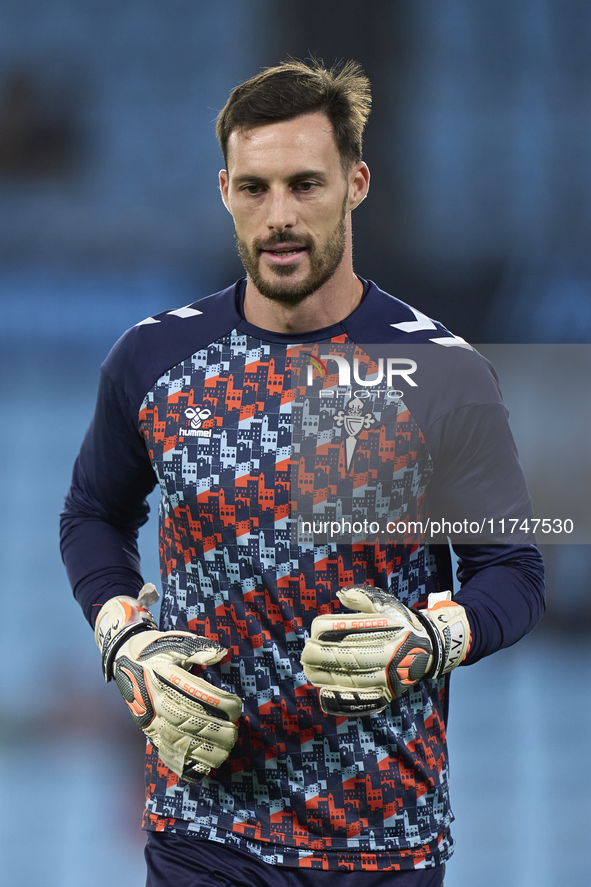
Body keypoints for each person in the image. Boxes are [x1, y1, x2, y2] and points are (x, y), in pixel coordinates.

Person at [60, 60, 545, 887]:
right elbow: (92, 516)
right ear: (223, 189)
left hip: (384, 843)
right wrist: (124, 638)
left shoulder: (437, 372)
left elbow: (511, 571)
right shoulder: (153, 359)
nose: (278, 216)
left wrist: (431, 638)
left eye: (304, 184)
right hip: (203, 836)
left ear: (356, 183)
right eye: (254, 188)